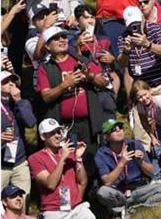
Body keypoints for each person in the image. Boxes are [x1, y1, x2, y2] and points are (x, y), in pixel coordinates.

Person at [36, 25, 108, 159]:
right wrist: (65, 85)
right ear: (47, 46)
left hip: (88, 124)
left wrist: (90, 75)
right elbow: (46, 96)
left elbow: (104, 83)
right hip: (62, 127)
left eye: (63, 37)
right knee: (67, 162)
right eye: (56, 39)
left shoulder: (81, 60)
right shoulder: (44, 67)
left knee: (89, 162)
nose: (62, 40)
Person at [94, 118, 161, 219]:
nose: (119, 130)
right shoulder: (101, 154)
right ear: (106, 137)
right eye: (113, 129)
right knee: (102, 192)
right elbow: (107, 182)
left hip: (138, 190)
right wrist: (122, 163)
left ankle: (134, 209)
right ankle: (122, 208)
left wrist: (141, 162)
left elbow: (152, 173)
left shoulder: (134, 144)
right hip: (118, 193)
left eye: (120, 127)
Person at [117, 6, 161, 99]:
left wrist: (147, 44)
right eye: (131, 25)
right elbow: (122, 63)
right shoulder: (123, 37)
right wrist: (126, 52)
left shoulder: (155, 28)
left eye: (137, 23)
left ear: (143, 18)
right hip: (143, 89)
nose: (134, 27)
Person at [1, 71, 37, 198]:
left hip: (19, 161)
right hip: (0, 164)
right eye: (5, 81)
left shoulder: (21, 103)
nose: (11, 83)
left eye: (12, 80)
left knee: (23, 199)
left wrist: (19, 101)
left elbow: (31, 122)